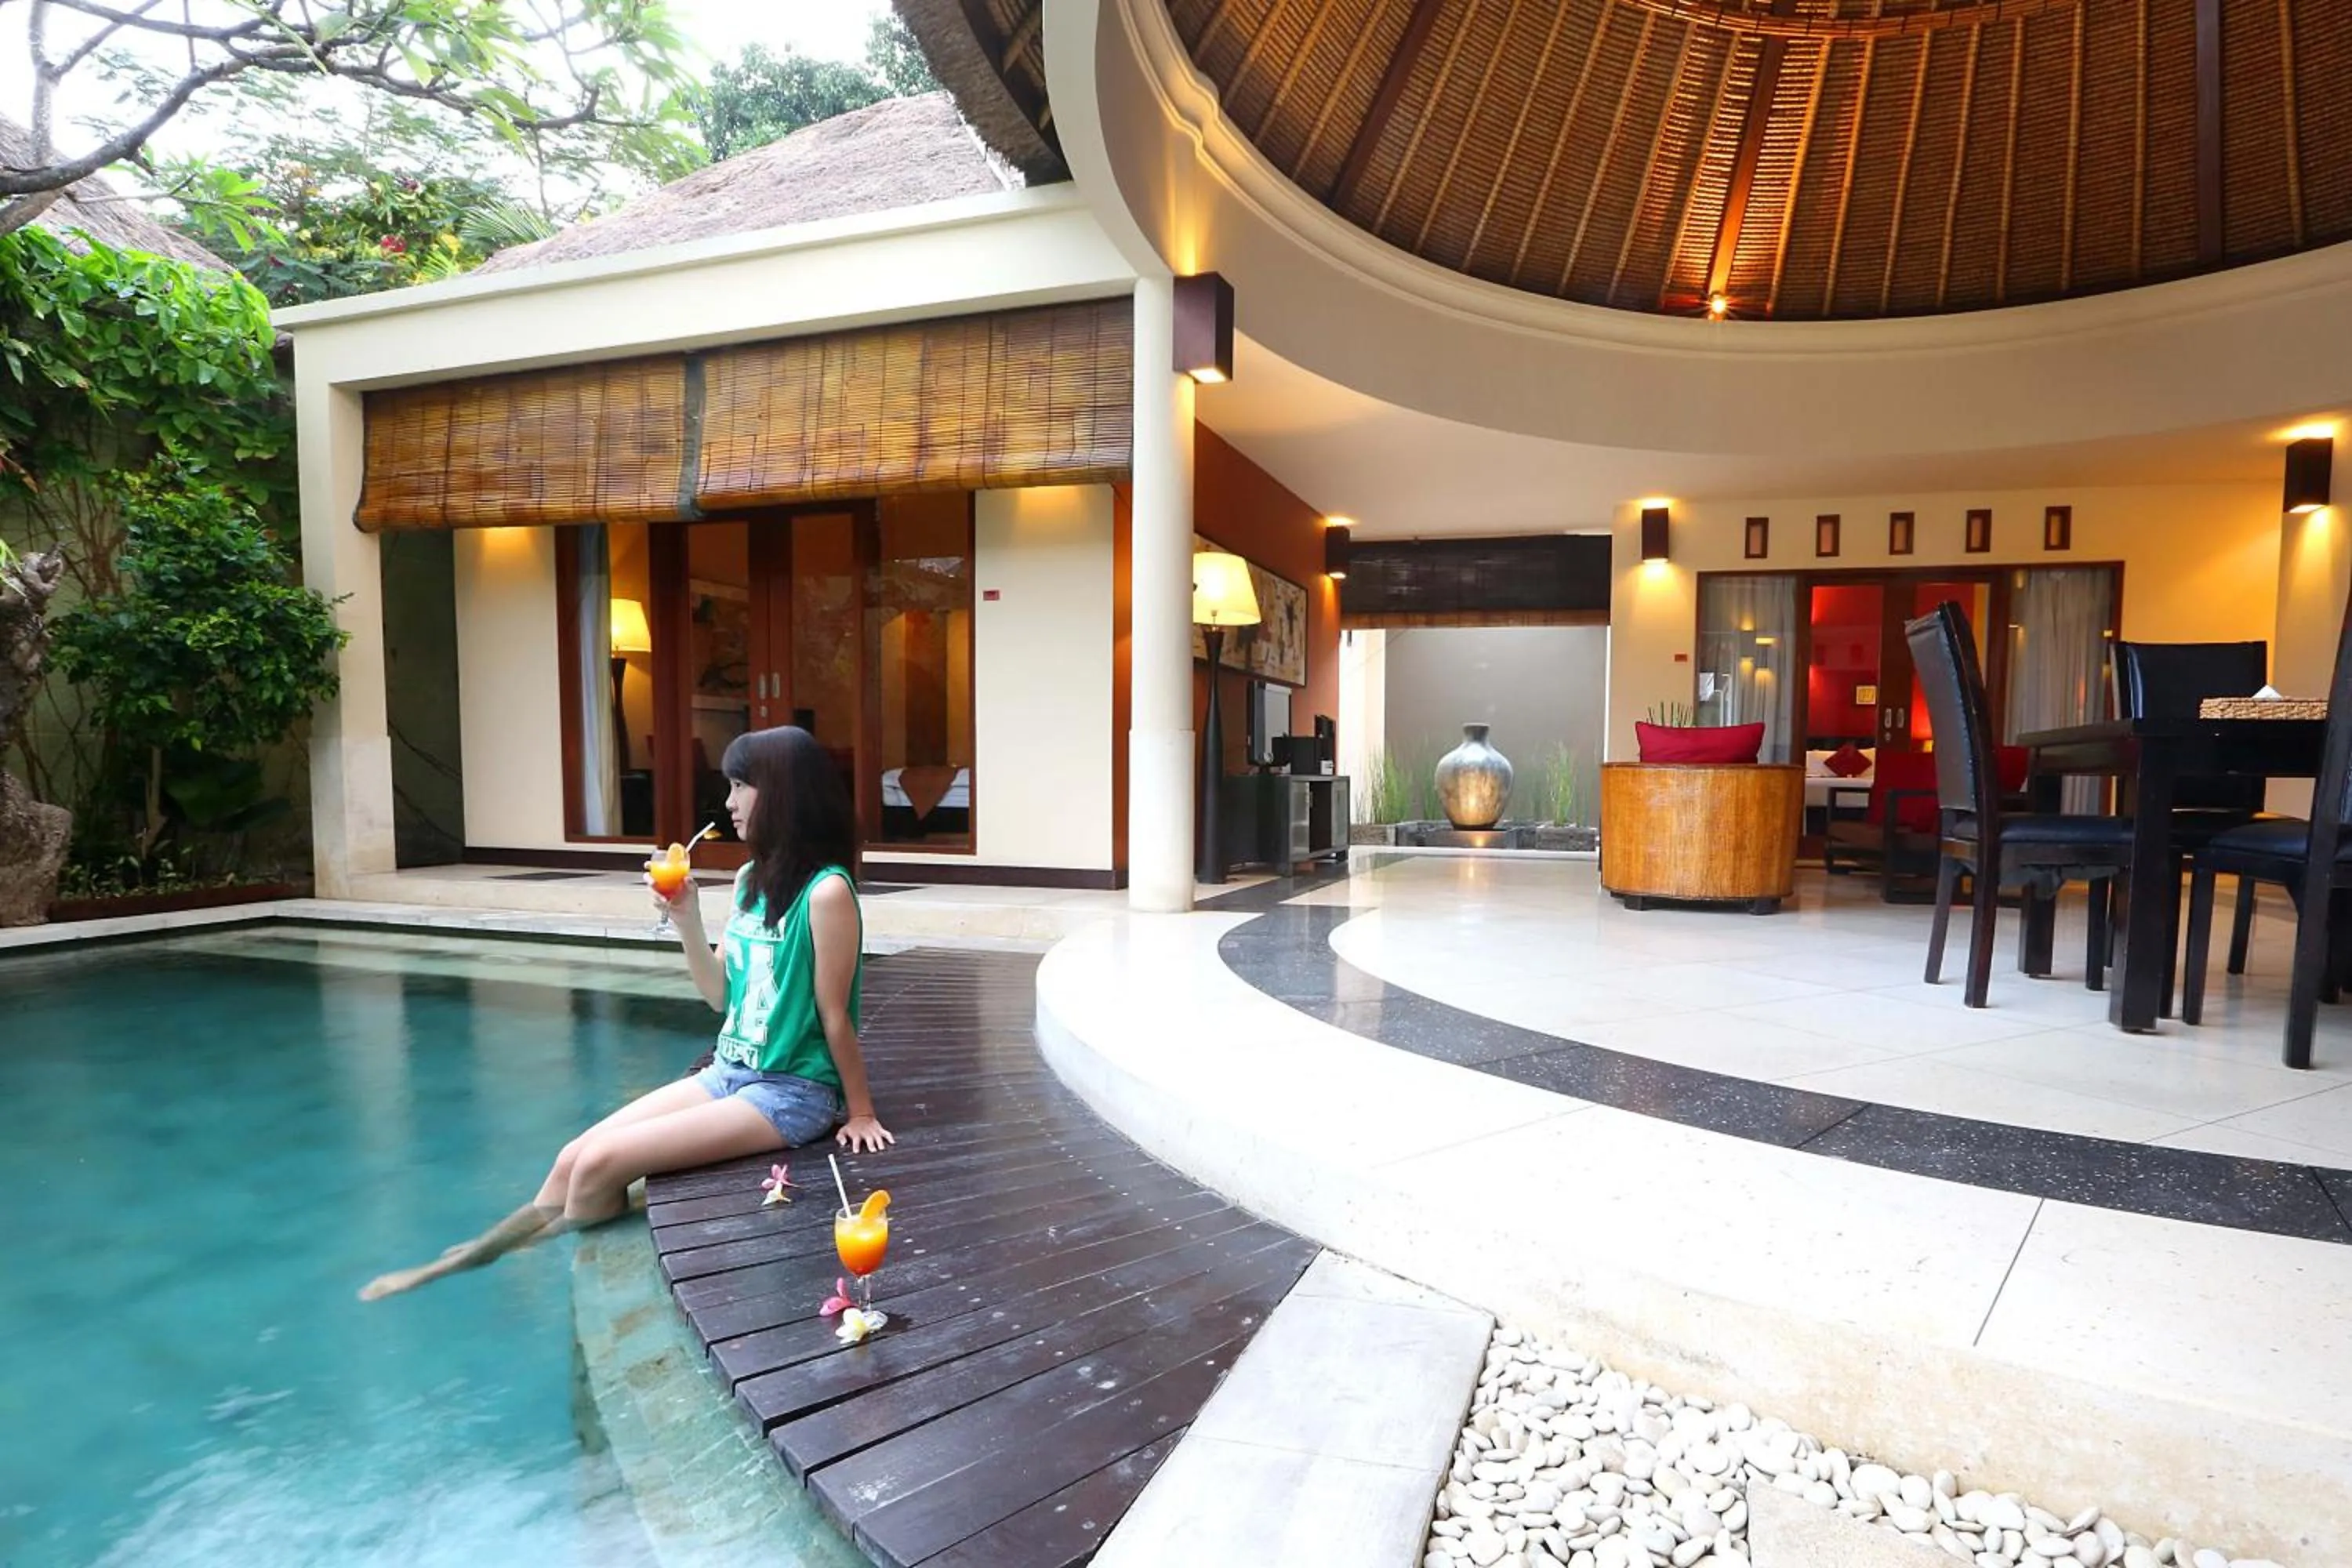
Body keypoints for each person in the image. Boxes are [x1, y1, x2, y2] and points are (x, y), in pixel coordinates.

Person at [361, 726, 893, 1301]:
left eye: (742, 786)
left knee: (600, 1166)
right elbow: (719, 996)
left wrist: (859, 1112)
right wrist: (686, 917)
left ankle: (527, 1256)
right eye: (730, 786)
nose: (730, 803)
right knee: (572, 1158)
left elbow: (834, 1014)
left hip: (790, 1092)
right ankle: (491, 1248)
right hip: (729, 1072)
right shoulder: (748, 881)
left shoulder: (827, 893)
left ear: (784, 794)